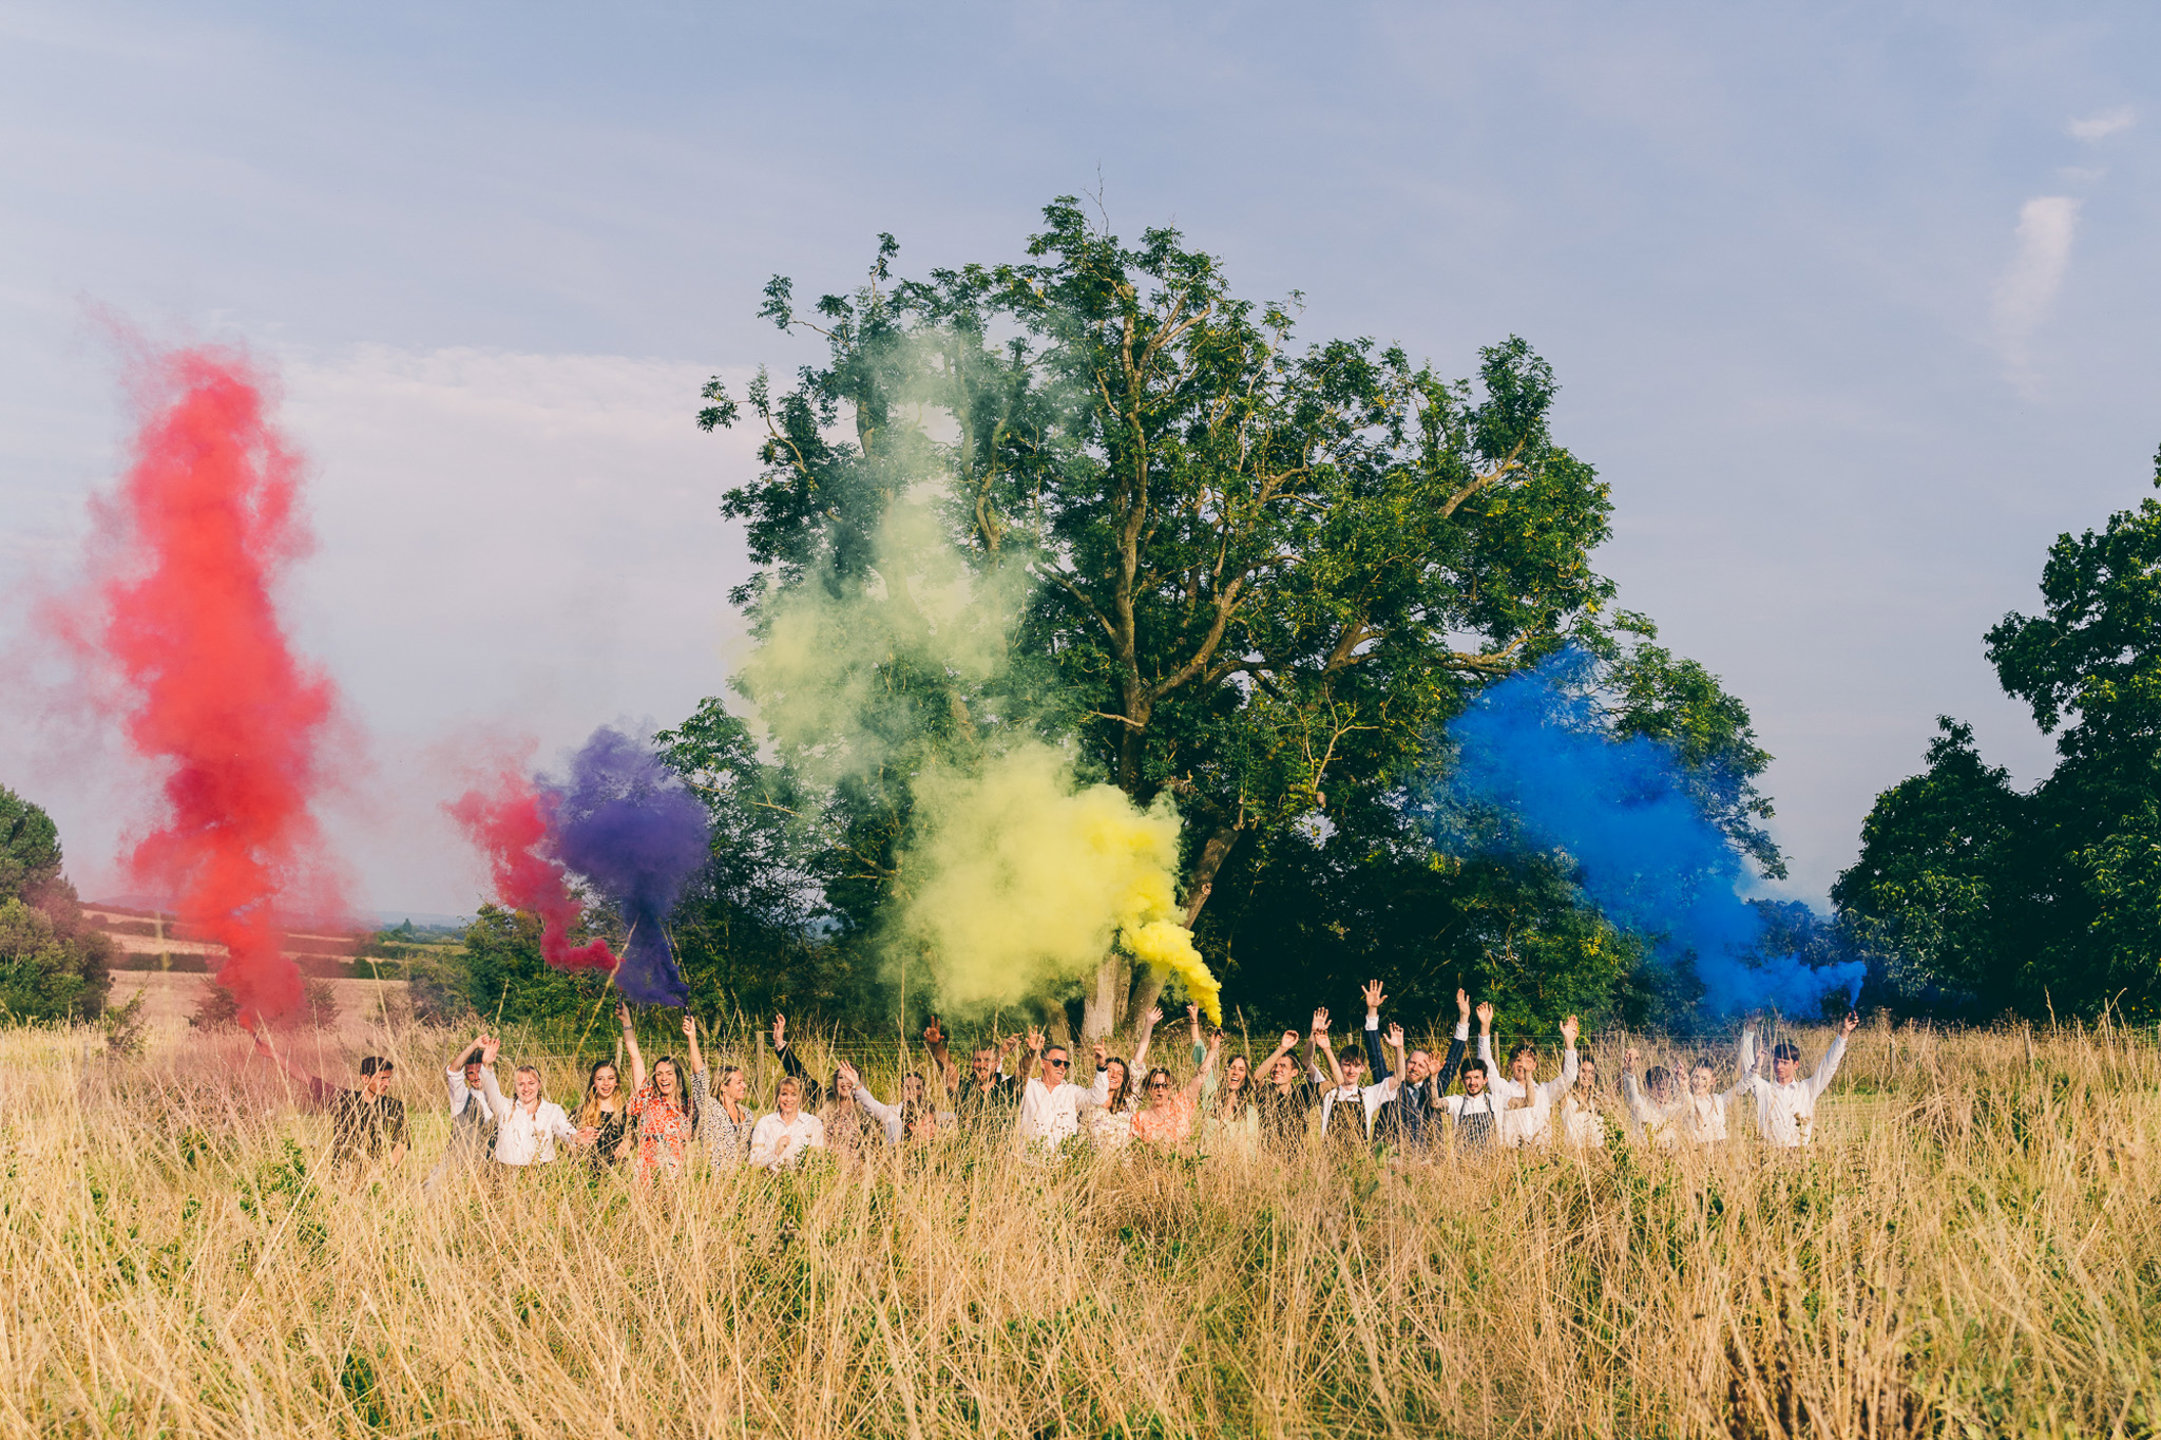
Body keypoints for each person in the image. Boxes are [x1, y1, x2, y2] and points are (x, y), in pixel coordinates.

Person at [256, 1037, 409, 1169]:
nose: (387, 1083)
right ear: (365, 1078)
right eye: (382, 1078)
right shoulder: (344, 1100)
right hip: (343, 1174)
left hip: (377, 1178)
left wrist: (382, 1172)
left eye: (389, 1079)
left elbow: (401, 1144)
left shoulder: (394, 1106)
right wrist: (274, 1055)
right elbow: (306, 1078)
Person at [1364, 983, 1470, 1150]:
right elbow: (1375, 1056)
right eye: (1412, 1062)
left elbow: (1453, 1059)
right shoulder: (1389, 1085)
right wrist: (1372, 1012)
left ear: (1428, 1071)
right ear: (1405, 1064)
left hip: (1426, 1164)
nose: (1414, 1068)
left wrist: (1464, 1018)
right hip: (1389, 1161)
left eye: (1422, 1065)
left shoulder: (1434, 1086)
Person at [1738, 1011, 1860, 1148]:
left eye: (1784, 1062)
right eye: (1776, 1062)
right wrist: (1750, 1027)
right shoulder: (1764, 1089)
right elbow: (1748, 1066)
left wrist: (1844, 1033)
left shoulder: (1807, 1089)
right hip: (1770, 1156)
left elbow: (1828, 1066)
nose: (1779, 1066)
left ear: (1796, 1065)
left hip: (1800, 1155)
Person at [1480, 1011, 1582, 1148]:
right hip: (1512, 1157)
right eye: (1518, 1060)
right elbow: (1485, 1062)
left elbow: (1569, 1077)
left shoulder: (1545, 1091)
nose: (1522, 1065)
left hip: (1540, 1157)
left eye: (1528, 1060)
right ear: (1510, 1064)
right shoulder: (1502, 1089)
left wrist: (1569, 1042)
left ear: (1535, 1065)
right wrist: (1485, 1027)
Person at [619, 1001, 695, 1184]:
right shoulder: (648, 1098)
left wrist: (691, 1037)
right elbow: (635, 1058)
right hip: (647, 1172)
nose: (664, 1078)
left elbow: (699, 1073)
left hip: (675, 1174)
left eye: (669, 1073)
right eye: (659, 1074)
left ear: (677, 1075)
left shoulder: (688, 1106)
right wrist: (626, 1022)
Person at [1013, 1028, 1111, 1149]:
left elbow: (1098, 1099)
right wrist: (1032, 1053)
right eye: (1057, 1062)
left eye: (1066, 1064)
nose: (1062, 1067)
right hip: (1030, 1162)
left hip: (1064, 1163)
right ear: (1042, 1063)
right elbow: (1019, 1076)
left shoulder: (1071, 1091)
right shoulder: (1030, 1087)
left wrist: (1101, 1066)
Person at [683, 1015, 756, 1171]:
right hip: (715, 1180)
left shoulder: (748, 1114)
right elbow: (699, 1076)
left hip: (740, 1180)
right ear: (723, 1087)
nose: (744, 1085)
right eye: (738, 1082)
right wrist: (692, 1038)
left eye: (743, 1081)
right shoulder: (710, 1108)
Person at [480, 1062, 582, 1168]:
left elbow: (564, 1129)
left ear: (539, 1085)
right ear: (515, 1086)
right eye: (521, 1084)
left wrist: (575, 1136)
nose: (526, 1088)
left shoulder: (553, 1110)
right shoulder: (503, 1106)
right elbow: (490, 1089)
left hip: (541, 1172)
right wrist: (487, 1065)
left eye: (531, 1083)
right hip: (506, 1171)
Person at [1254, 1015, 1329, 1156]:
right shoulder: (1265, 1092)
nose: (1277, 1070)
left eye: (1283, 1066)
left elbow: (1335, 1086)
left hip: (1296, 1162)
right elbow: (1254, 1080)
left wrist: (1319, 1041)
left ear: (1294, 1072)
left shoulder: (1302, 1093)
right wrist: (1281, 1049)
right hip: (1266, 1161)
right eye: (1275, 1066)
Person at [430, 1035, 501, 1183]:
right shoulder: (461, 1098)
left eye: (479, 1072)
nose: (476, 1077)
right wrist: (474, 1045)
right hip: (455, 1168)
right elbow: (453, 1071)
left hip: (487, 1169)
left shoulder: (500, 1101)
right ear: (467, 1077)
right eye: (470, 1073)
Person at [1132, 1031, 1221, 1148]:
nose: (1160, 1089)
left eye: (1165, 1086)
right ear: (1149, 1088)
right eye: (1155, 1085)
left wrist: (1212, 1050)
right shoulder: (1140, 1119)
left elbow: (1199, 1078)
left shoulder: (1180, 1105)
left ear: (1170, 1089)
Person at [837, 1061, 940, 1146]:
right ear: (901, 1091)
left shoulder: (933, 1113)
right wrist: (857, 1084)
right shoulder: (892, 1113)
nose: (912, 1092)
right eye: (908, 1088)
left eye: (917, 1088)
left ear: (923, 1091)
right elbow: (871, 1105)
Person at [1675, 1052, 1754, 1145]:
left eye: (1704, 1078)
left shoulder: (1719, 1100)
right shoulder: (1688, 1099)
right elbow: (1685, 1100)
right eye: (1696, 1077)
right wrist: (1680, 1081)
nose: (1699, 1082)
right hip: (1697, 1149)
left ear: (1713, 1081)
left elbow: (1740, 1088)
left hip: (1720, 1148)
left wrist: (1755, 1069)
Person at [749, 1075, 825, 1169]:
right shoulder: (765, 1123)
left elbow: (817, 1161)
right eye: (784, 1094)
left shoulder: (813, 1123)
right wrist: (775, 1152)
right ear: (777, 1097)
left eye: (793, 1094)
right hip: (768, 1179)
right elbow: (753, 1163)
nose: (788, 1099)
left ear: (800, 1098)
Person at [574, 1059, 634, 1169]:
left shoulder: (627, 1112)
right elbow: (565, 1145)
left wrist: (629, 1143)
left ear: (617, 1082)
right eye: (600, 1079)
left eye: (610, 1078)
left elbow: (636, 1139)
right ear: (593, 1083)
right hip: (587, 1175)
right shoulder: (580, 1112)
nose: (606, 1083)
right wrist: (576, 1140)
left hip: (619, 1175)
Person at [1555, 1051, 1608, 1148]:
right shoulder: (1566, 1097)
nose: (1587, 1076)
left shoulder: (1598, 1099)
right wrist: (1570, 1046)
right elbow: (1565, 1075)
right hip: (1575, 1153)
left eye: (1591, 1072)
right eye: (1583, 1071)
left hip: (1597, 1153)